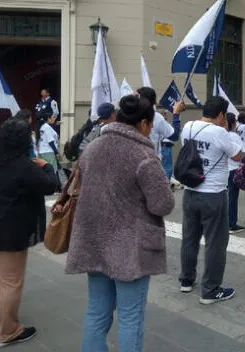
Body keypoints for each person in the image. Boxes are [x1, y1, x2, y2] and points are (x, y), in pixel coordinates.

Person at [66, 95, 175, 352]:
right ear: (145, 124)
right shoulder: (144, 155)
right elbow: (163, 205)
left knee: (97, 312)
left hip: (93, 241)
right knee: (130, 317)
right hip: (130, 249)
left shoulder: (93, 147)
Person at [0, 119, 58, 347]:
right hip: (10, 233)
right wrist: (47, 166)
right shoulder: (23, 166)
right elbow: (50, 186)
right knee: (10, 282)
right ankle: (7, 331)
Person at [178, 96, 244, 304]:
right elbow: (238, 156)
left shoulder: (189, 126)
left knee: (189, 238)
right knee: (215, 243)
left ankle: (186, 281)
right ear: (222, 115)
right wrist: (229, 131)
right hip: (213, 194)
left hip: (190, 191)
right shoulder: (220, 133)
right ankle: (210, 289)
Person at [136, 87, 182, 161]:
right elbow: (174, 136)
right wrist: (176, 114)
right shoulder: (156, 117)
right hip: (151, 163)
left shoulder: (129, 115)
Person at [227, 114, 245, 234]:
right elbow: (243, 152)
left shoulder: (221, 135)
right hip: (234, 170)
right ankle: (231, 224)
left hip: (222, 170)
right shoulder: (234, 136)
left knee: (223, 197)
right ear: (233, 123)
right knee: (232, 198)